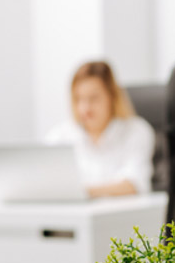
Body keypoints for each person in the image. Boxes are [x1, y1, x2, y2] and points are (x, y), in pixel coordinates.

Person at [46, 61, 155, 198]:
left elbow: (134, 184)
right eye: (79, 99)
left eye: (94, 98)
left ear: (112, 97)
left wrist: (81, 193)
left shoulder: (137, 131)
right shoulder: (60, 135)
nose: (85, 108)